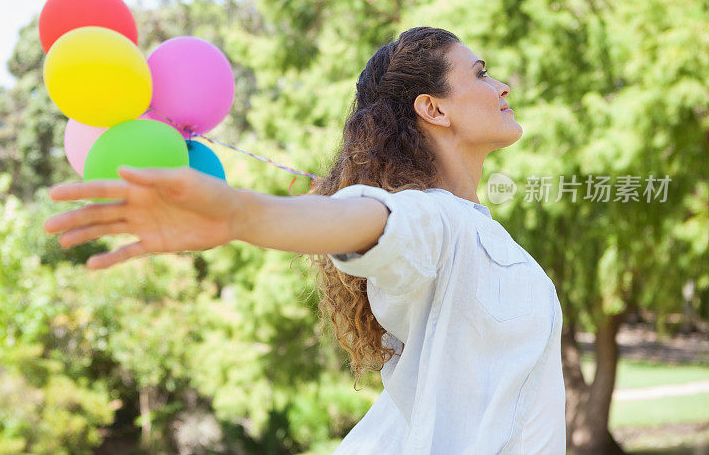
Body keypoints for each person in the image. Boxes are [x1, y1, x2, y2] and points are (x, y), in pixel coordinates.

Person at [43, 26, 566, 454]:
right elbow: (368, 221)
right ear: (433, 109)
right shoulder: (435, 220)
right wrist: (240, 215)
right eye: (480, 74)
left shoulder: (470, 225)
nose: (502, 87)